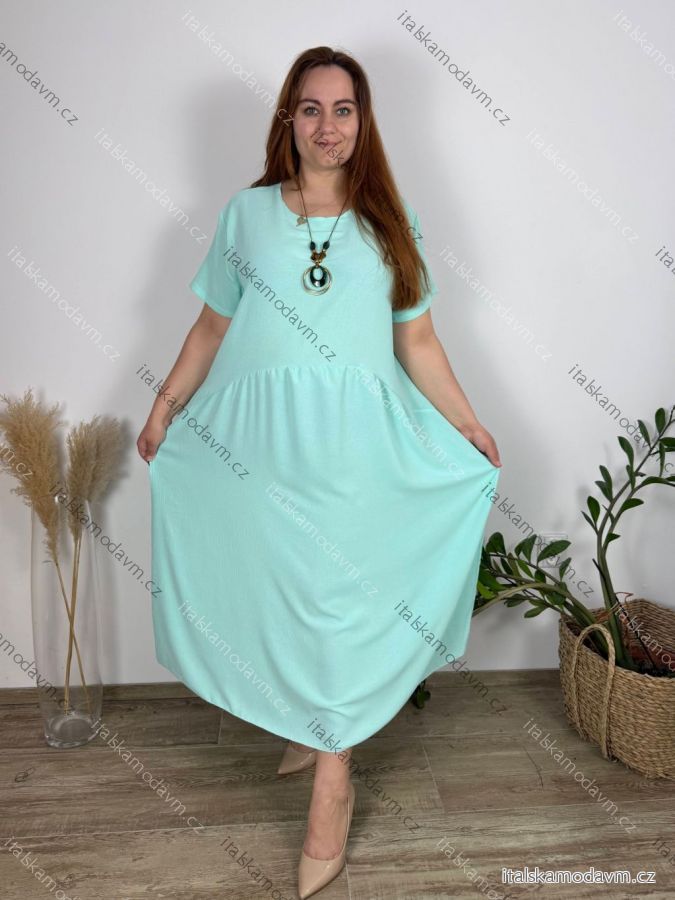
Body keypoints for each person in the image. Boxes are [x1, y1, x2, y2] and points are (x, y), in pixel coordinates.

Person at [137, 46, 502, 899]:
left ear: (362, 121)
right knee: (280, 589)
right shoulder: (245, 213)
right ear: (287, 119)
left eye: (343, 110)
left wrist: (467, 423)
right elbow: (211, 327)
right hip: (260, 449)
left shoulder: (390, 221)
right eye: (310, 108)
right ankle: (307, 725)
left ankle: (332, 782)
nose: (326, 126)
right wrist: (163, 409)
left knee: (338, 600)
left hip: (356, 453)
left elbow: (416, 339)